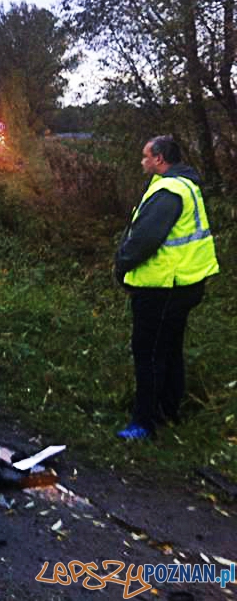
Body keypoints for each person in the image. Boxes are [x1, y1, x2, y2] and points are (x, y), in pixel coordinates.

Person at [114, 135, 220, 439]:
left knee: (148, 353)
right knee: (170, 349)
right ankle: (169, 411)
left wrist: (122, 264)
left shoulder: (168, 191)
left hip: (163, 287)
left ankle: (143, 423)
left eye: (146, 156)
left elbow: (145, 240)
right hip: (185, 284)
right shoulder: (186, 185)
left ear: (160, 159)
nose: (143, 161)